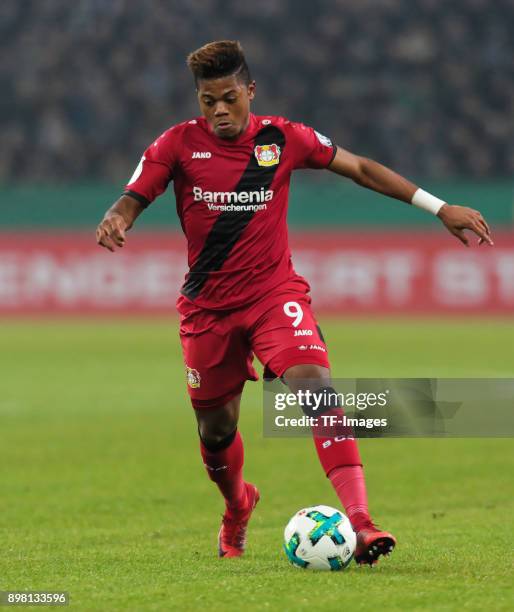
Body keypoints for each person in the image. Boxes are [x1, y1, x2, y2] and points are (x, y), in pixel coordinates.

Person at [96, 40, 493, 565]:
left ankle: (362, 523)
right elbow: (135, 194)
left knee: (316, 386)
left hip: (273, 295)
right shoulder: (176, 145)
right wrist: (119, 217)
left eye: (229, 97)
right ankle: (238, 506)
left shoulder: (284, 138)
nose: (219, 110)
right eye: (208, 99)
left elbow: (361, 168)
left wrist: (438, 207)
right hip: (208, 312)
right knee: (216, 433)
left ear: (250, 91)